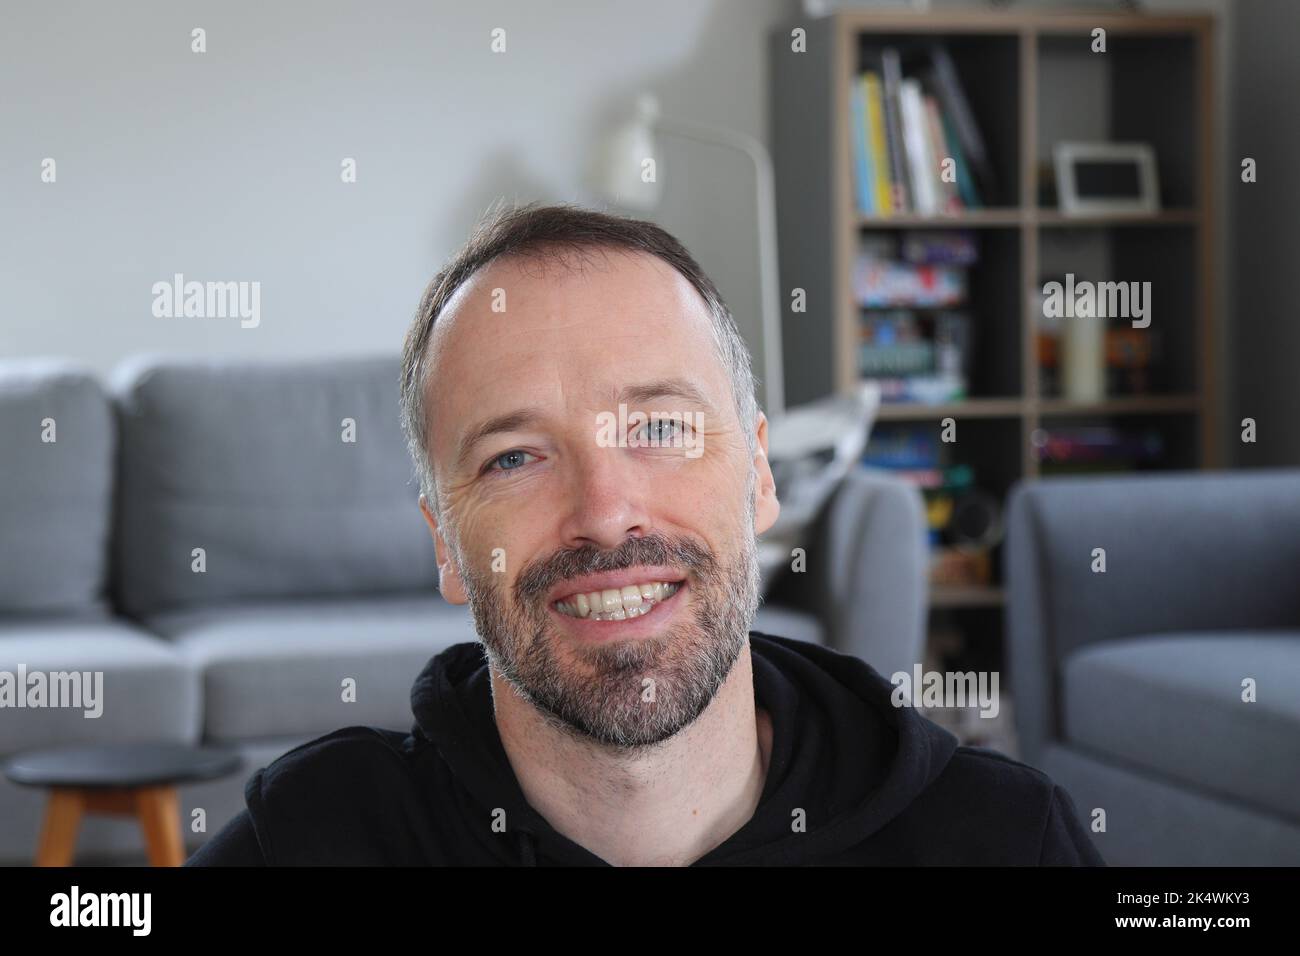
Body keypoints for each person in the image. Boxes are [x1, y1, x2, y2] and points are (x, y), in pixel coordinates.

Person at [186, 202, 1103, 866]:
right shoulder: (312, 841)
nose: (605, 511)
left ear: (759, 475)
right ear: (444, 546)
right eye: (514, 457)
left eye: (660, 428)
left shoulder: (1001, 841)